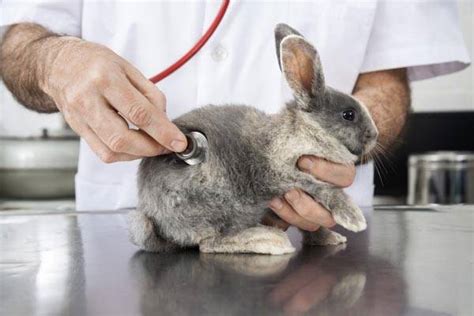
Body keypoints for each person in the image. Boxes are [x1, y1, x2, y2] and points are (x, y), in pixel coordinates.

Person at [0, 1, 469, 231]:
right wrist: (53, 61)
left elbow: (387, 80)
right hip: (126, 230)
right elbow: (19, 41)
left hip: (311, 242)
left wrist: (337, 157)